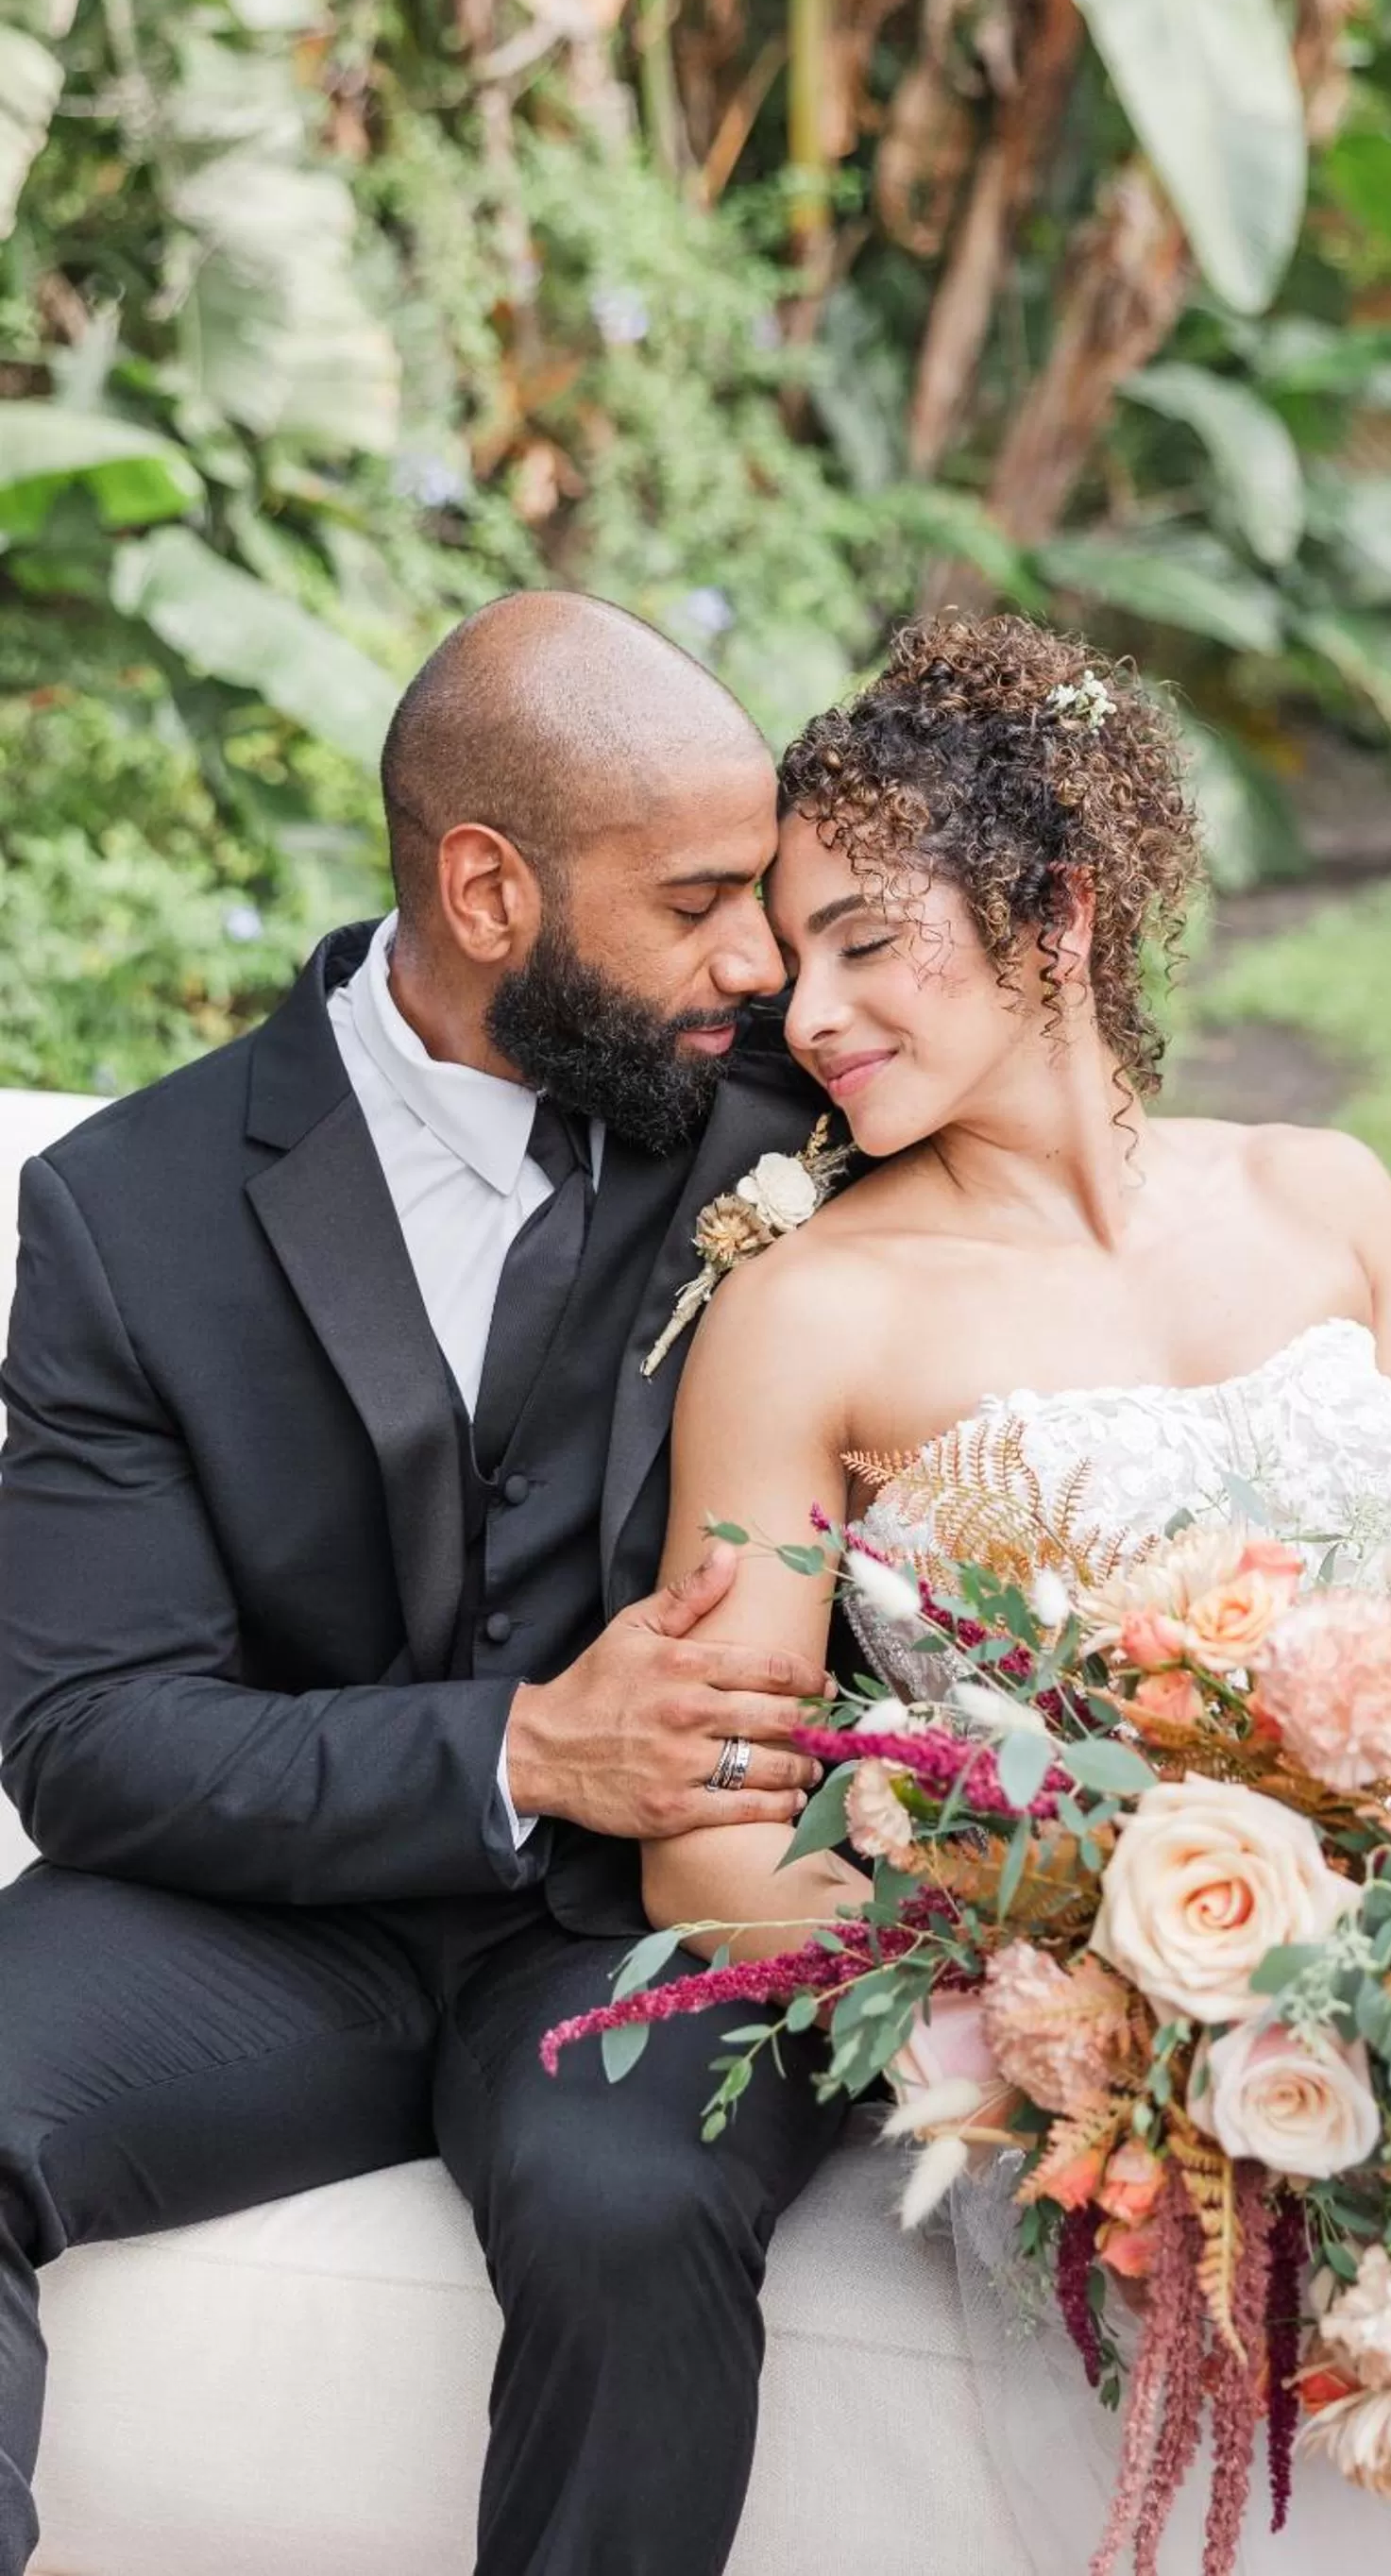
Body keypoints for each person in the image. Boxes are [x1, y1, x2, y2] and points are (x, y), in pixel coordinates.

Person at [639, 612, 1391, 2574]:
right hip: (1129, 2083)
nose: (811, 1012)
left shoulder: (1320, 1197)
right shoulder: (807, 1314)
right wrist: (1082, 2001)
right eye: (790, 956)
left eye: (866, 940)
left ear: (1060, 910)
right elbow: (710, 1850)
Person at [0, 591, 849, 2576]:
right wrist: (522, 1752)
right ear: (486, 891)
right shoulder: (126, 1213)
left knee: (629, 2205)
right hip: (267, 1924)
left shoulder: (809, 1118)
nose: (761, 960)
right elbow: (86, 1734)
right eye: (699, 900)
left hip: (643, 1926)